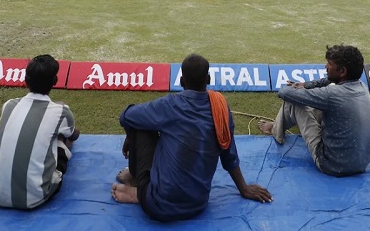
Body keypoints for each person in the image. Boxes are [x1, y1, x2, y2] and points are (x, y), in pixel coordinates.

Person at [111, 54, 272, 221]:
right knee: (151, 124)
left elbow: (126, 116)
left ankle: (138, 186)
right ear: (208, 79)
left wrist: (130, 136)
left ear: (181, 81)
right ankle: (141, 182)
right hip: (198, 204)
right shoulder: (221, 108)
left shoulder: (170, 105)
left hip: (158, 204)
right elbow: (228, 154)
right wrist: (243, 188)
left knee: (141, 123)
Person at [258, 45, 370, 177]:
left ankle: (276, 130)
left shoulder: (332, 94)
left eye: (330, 64)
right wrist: (307, 85)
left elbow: (284, 93)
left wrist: (298, 89)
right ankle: (276, 126)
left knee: (294, 102)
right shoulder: (362, 86)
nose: (326, 66)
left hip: (332, 165)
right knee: (320, 105)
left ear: (342, 71)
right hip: (363, 163)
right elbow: (328, 81)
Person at [0, 54, 80, 209]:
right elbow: (73, 135)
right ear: (55, 82)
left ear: (25, 81)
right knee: (62, 143)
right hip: (35, 197)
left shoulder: (9, 105)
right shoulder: (61, 111)